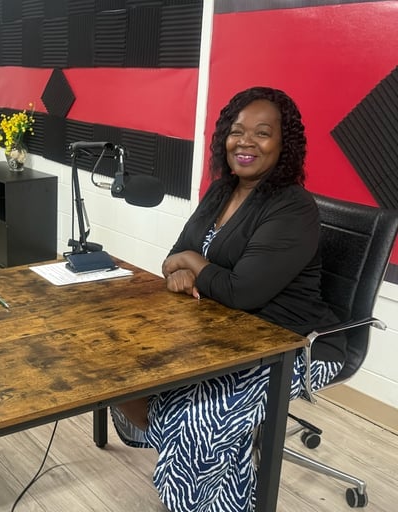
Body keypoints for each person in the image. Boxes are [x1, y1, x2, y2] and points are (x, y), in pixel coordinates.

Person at [111, 87, 347, 512]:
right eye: (237, 131)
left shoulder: (292, 208)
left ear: (284, 144)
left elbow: (242, 291)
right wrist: (179, 267)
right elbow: (173, 256)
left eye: (262, 133)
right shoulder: (221, 191)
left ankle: (201, 490)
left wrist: (192, 263)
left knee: (196, 420)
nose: (245, 142)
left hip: (295, 344)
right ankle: (215, 485)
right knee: (122, 366)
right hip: (224, 332)